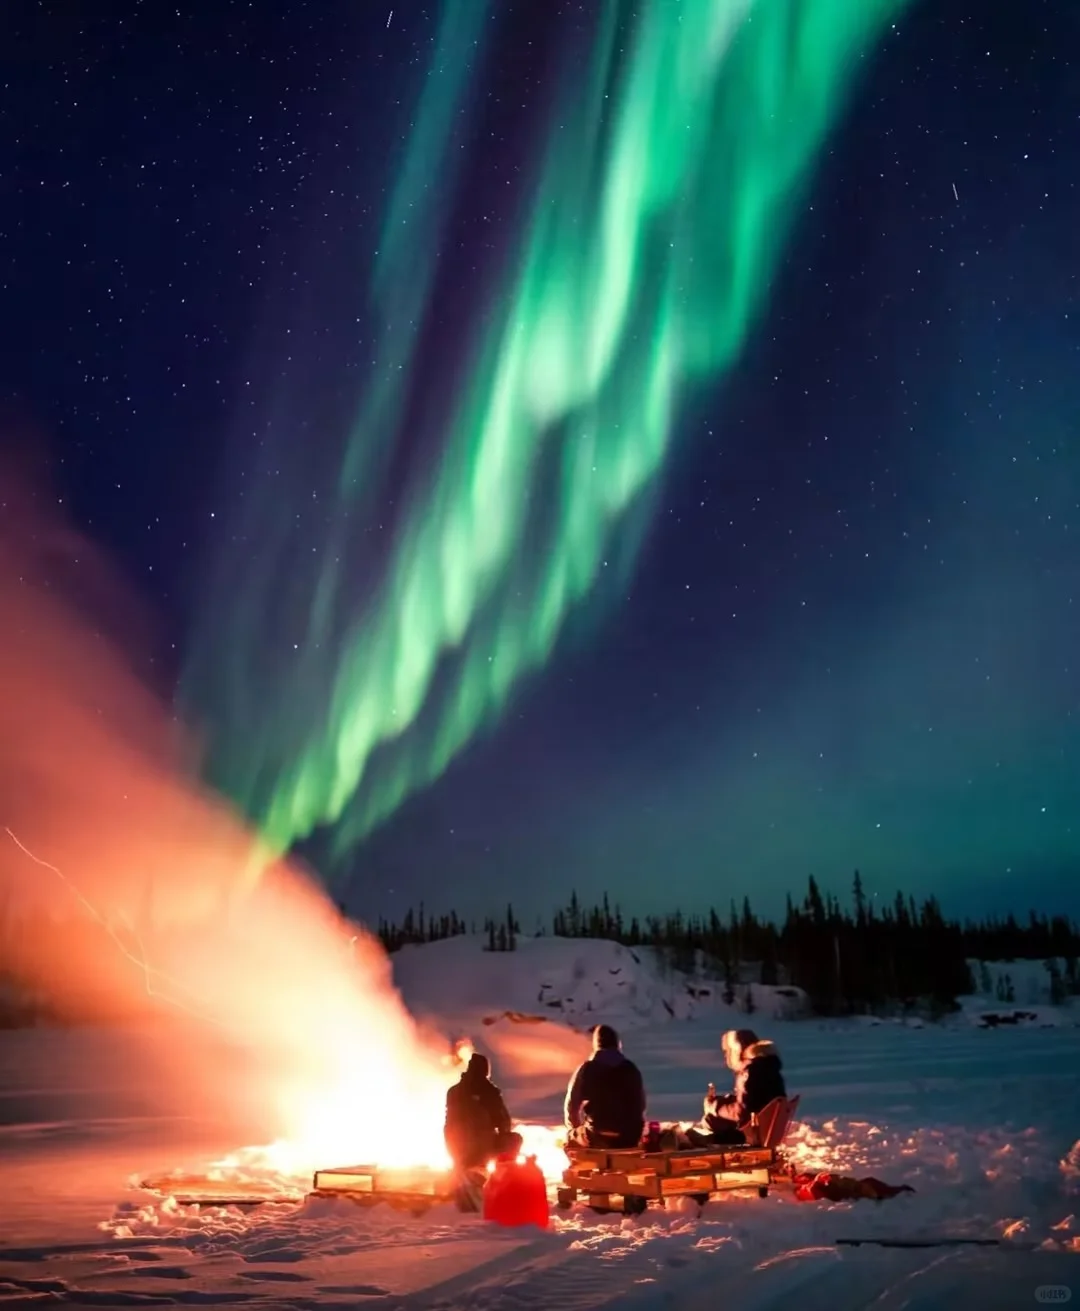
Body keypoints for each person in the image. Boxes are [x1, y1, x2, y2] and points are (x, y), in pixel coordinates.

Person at [695, 1028, 786, 1145]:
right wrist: (724, 1102)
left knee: (709, 1121)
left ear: (736, 1050)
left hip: (752, 1132)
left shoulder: (749, 1071)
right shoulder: (766, 1066)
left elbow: (741, 1113)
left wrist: (715, 1107)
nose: (726, 1056)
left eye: (727, 1051)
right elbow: (753, 1101)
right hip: (765, 1126)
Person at [564, 1024, 647, 1150]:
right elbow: (641, 1105)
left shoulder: (587, 1069)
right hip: (629, 1138)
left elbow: (572, 1104)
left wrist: (574, 1129)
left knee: (572, 1137)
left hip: (595, 1136)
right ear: (617, 1044)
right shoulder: (631, 1069)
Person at [444, 1052, 522, 1172]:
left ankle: (462, 1166)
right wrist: (502, 1134)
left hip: (455, 1147)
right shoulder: (489, 1092)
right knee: (514, 1139)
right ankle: (503, 1172)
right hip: (479, 1147)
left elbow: (449, 1122)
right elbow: (503, 1121)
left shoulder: (453, 1091)